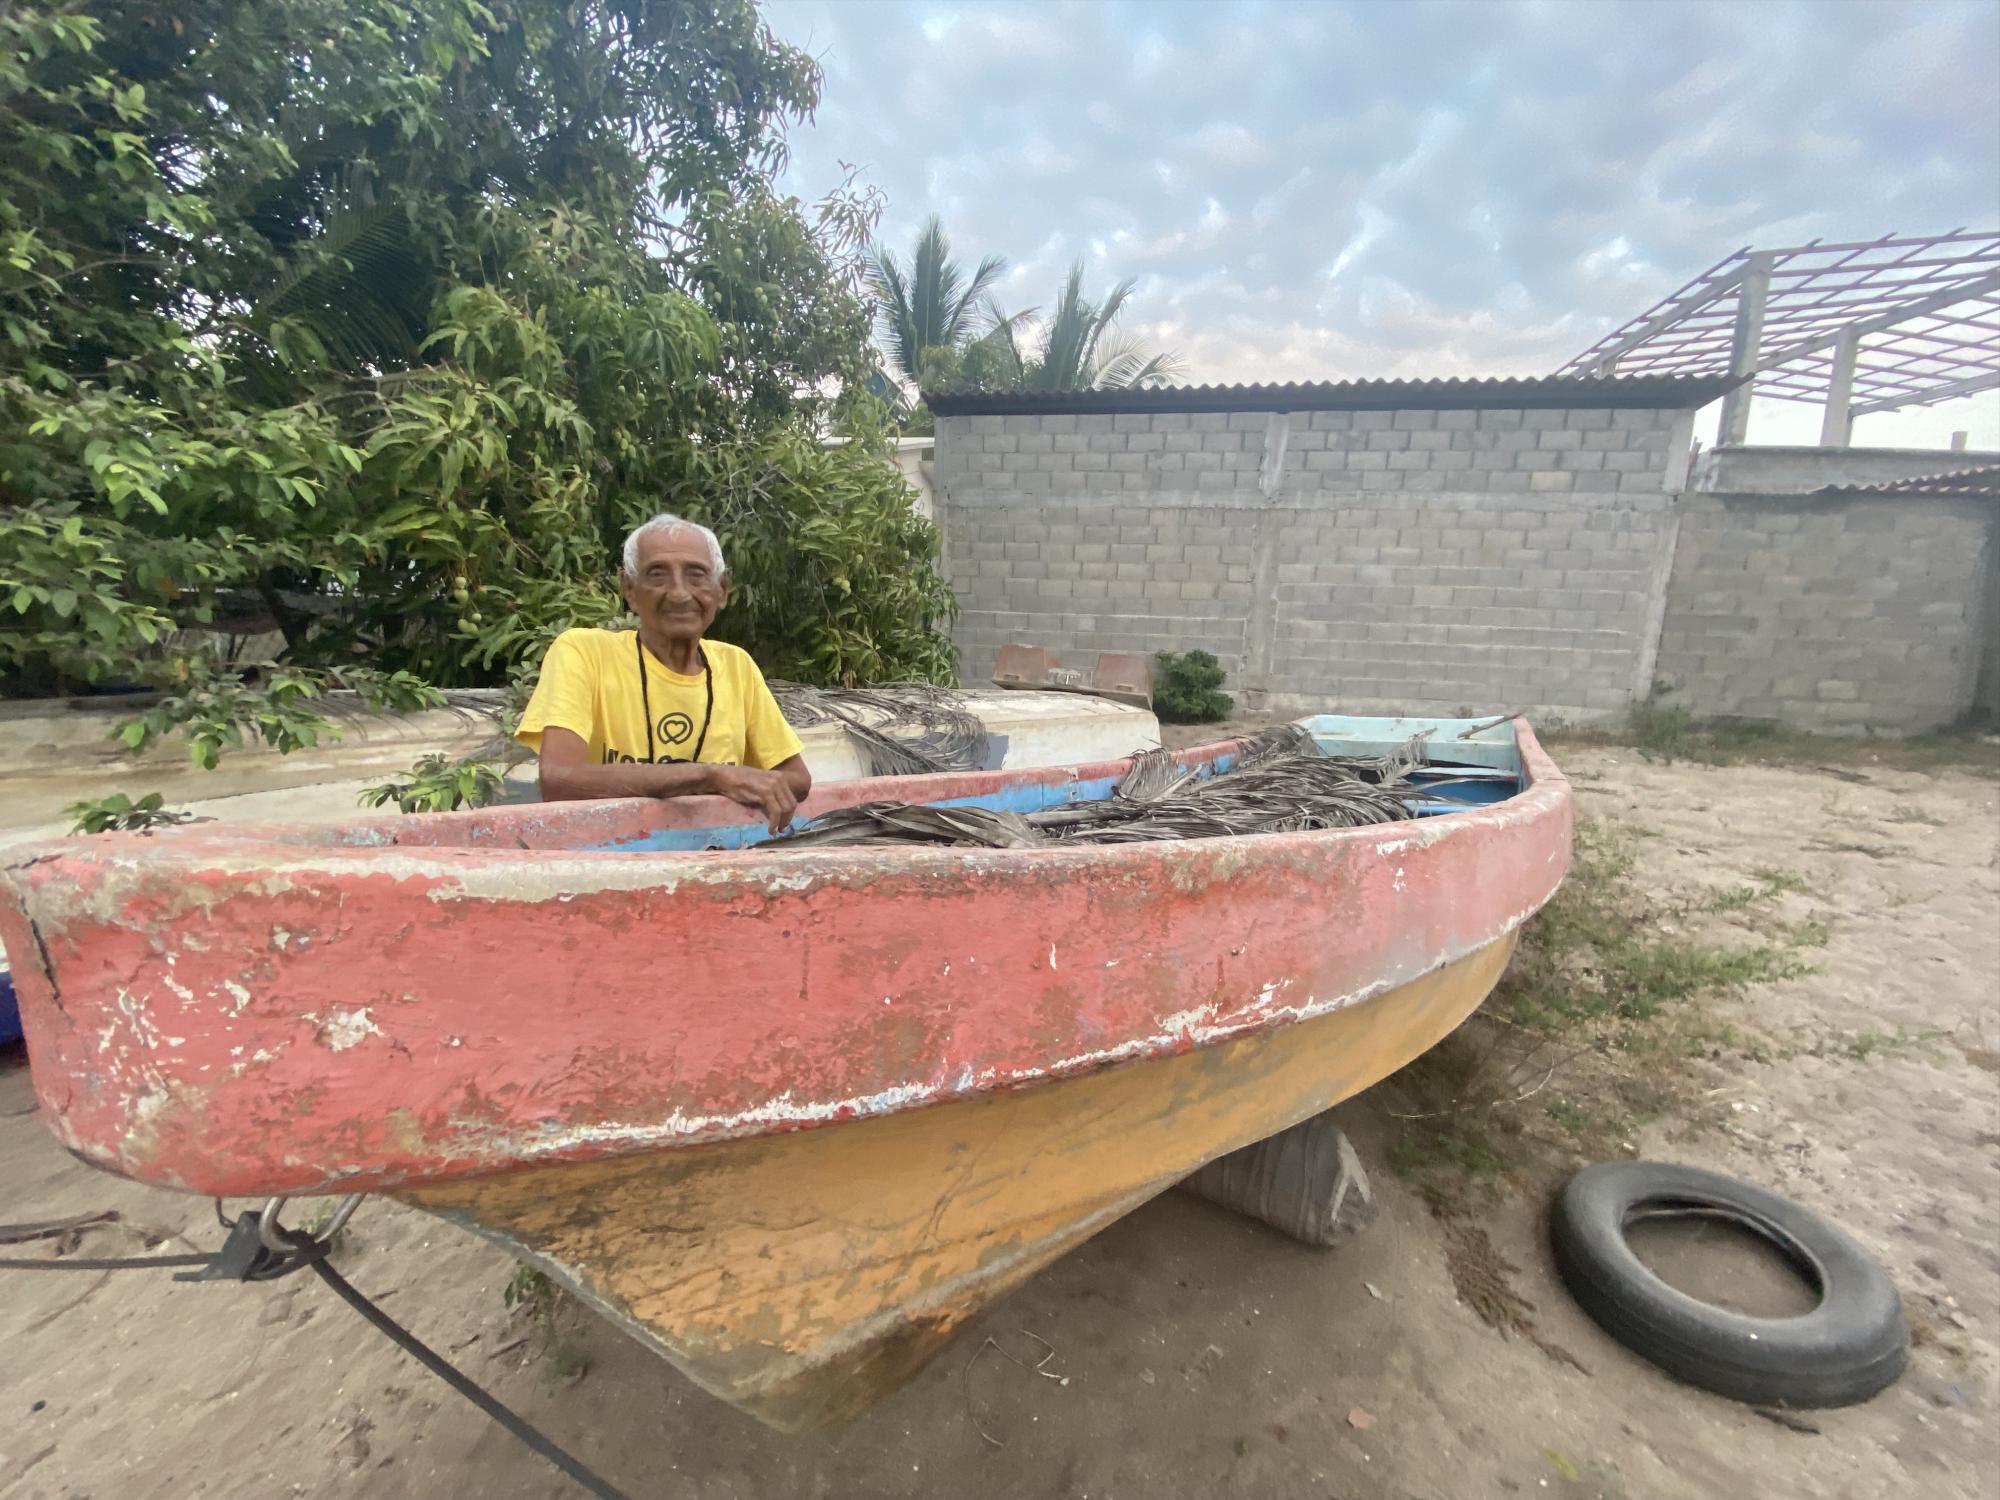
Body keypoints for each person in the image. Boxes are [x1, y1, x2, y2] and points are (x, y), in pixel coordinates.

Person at [515, 513, 811, 832]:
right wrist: (711, 776)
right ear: (629, 589)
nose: (679, 594)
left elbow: (797, 779)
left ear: (722, 590)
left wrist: (734, 782)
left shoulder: (736, 665)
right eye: (657, 575)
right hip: (607, 860)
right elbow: (559, 779)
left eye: (696, 575)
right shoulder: (583, 652)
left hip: (716, 860)